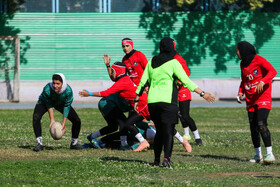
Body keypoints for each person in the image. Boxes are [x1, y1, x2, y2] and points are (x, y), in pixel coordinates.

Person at [134, 37, 215, 169]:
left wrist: (136, 98)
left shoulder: (151, 61)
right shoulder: (173, 62)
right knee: (168, 131)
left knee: (159, 131)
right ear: (172, 47)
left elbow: (143, 81)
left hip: (152, 102)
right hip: (167, 101)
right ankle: (166, 160)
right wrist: (202, 93)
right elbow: (186, 81)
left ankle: (156, 161)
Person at [79, 61, 150, 152]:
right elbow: (107, 91)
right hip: (111, 104)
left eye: (113, 71)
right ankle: (125, 144)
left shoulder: (124, 81)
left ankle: (93, 137)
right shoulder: (125, 80)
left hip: (137, 104)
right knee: (124, 123)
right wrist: (89, 93)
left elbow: (109, 88)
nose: (112, 73)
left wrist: (89, 93)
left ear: (118, 71)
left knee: (115, 126)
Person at [236, 41, 277, 164]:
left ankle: (270, 154)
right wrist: (240, 91)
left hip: (263, 98)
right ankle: (258, 155)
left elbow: (273, 72)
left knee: (261, 123)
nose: (236, 53)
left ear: (243, 50)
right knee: (253, 128)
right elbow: (244, 80)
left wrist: (262, 82)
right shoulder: (242, 64)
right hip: (250, 100)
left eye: (237, 50)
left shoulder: (259, 60)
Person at [98, 38, 148, 130]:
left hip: (142, 90)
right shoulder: (124, 60)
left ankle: (151, 136)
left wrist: (147, 86)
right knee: (132, 119)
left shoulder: (139, 55)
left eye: (127, 46)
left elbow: (148, 71)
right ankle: (132, 139)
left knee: (143, 116)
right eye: (123, 46)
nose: (125, 48)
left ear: (131, 45)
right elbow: (114, 78)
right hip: (132, 92)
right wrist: (108, 66)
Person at [32, 73, 83, 152]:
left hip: (60, 103)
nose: (55, 86)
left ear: (63, 83)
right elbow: (48, 104)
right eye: (54, 83)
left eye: (58, 83)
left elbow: (67, 106)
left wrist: (64, 122)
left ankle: (74, 143)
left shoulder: (68, 90)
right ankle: (39, 143)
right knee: (36, 117)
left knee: (77, 120)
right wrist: (52, 119)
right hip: (44, 102)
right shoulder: (47, 89)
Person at [174, 52, 203, 145]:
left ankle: (198, 138)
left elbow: (186, 73)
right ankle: (187, 135)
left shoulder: (178, 58)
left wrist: (178, 83)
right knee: (179, 114)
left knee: (185, 115)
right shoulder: (168, 58)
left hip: (183, 91)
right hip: (174, 91)